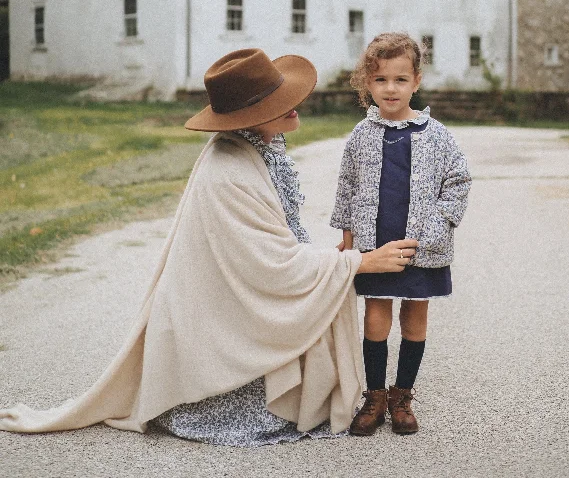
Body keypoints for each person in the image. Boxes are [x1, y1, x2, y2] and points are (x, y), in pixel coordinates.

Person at [0, 48, 418, 447]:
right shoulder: (228, 170)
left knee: (322, 287)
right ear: (248, 116)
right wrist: (359, 262)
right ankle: (226, 395)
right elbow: (272, 266)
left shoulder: (260, 147)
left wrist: (336, 256)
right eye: (279, 101)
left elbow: (280, 241)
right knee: (278, 407)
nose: (296, 104)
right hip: (221, 320)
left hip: (233, 299)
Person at [331, 32, 471, 436]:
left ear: (416, 80)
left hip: (422, 246)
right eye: (380, 80)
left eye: (399, 80)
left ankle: (402, 395)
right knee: (376, 318)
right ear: (367, 84)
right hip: (377, 246)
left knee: (414, 318)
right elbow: (347, 185)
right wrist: (348, 237)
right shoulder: (361, 135)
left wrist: (438, 224)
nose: (390, 89)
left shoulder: (437, 134)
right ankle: (374, 396)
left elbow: (458, 180)